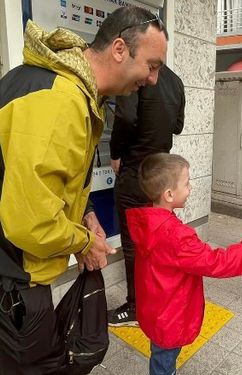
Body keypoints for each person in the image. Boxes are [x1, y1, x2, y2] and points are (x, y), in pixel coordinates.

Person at [0, 6, 167, 373]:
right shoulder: (58, 100)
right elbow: (32, 223)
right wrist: (85, 243)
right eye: (151, 65)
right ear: (120, 49)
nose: (153, 79)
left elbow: (55, 180)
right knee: (40, 365)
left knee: (25, 361)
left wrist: (85, 216)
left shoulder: (70, 88)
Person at [127, 153, 242, 375]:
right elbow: (215, 262)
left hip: (155, 310)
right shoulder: (176, 236)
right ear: (169, 194)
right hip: (170, 316)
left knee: (160, 354)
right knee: (164, 364)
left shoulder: (146, 222)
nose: (190, 188)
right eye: (187, 183)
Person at [107, 64, 185, 327]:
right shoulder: (176, 82)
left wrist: (115, 152)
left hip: (134, 173)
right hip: (161, 177)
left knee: (133, 246)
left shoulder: (135, 77)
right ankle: (157, 299)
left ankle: (135, 307)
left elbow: (127, 117)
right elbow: (178, 125)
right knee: (156, 243)